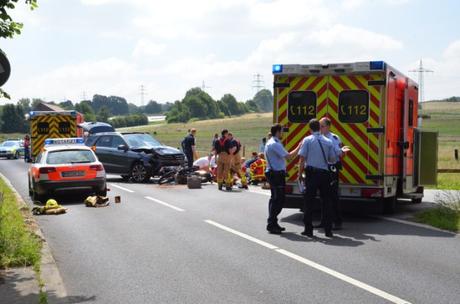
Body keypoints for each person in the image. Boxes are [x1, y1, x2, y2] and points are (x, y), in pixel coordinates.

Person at [298, 119, 337, 238]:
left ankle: (308, 230)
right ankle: (328, 230)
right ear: (319, 128)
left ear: (310, 129)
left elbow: (302, 158)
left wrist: (299, 173)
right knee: (326, 202)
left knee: (309, 202)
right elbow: (332, 159)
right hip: (324, 174)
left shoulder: (307, 140)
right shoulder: (328, 141)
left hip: (312, 173)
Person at [264, 124, 302, 234]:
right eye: (281, 131)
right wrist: (299, 146)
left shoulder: (272, 142)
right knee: (279, 200)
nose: (283, 133)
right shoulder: (275, 144)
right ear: (277, 132)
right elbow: (289, 157)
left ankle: (273, 222)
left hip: (274, 173)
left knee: (275, 199)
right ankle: (271, 223)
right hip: (276, 174)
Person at [319, 117, 350, 230]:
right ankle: (324, 221)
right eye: (319, 126)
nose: (320, 128)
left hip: (332, 168)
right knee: (323, 196)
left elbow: (341, 154)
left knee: (333, 196)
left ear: (328, 127)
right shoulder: (319, 137)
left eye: (322, 126)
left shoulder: (334, 138)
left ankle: (337, 221)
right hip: (322, 168)